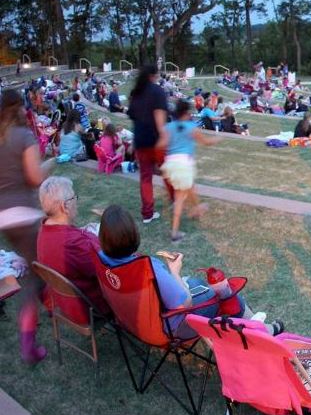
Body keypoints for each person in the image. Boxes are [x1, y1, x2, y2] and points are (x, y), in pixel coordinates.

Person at [95, 205, 282, 337]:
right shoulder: (147, 267)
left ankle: (255, 325)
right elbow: (185, 303)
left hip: (133, 321)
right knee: (226, 295)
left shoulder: (102, 259)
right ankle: (263, 331)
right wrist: (174, 271)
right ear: (133, 234)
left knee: (196, 283)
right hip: (168, 328)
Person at [0, 90, 56, 363]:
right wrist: (49, 165)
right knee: (35, 277)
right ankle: (28, 345)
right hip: (23, 214)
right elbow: (34, 178)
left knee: (37, 265)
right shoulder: (23, 136)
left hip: (4, 218)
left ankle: (51, 308)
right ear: (20, 108)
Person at [36, 176, 109, 321]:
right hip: (89, 307)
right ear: (65, 206)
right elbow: (106, 271)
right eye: (74, 197)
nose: (76, 202)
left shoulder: (44, 231)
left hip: (64, 302)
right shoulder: (74, 243)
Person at [160, 100, 219, 242]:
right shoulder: (191, 127)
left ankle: (197, 209)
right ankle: (175, 232)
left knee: (190, 188)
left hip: (171, 165)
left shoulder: (169, 127)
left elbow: (162, 144)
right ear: (186, 113)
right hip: (183, 166)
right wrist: (219, 139)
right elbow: (206, 142)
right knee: (180, 198)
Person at [127, 65, 171, 224]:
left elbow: (134, 119)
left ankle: (147, 214)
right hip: (155, 141)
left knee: (145, 177)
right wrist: (163, 136)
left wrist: (133, 143)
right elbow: (159, 116)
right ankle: (174, 198)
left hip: (140, 141)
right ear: (153, 75)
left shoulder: (136, 93)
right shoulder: (157, 91)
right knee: (167, 171)